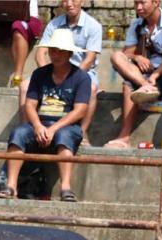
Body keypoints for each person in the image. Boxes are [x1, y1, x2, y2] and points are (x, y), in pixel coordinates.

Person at [0, 29, 91, 202]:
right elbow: (30, 105)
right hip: (39, 123)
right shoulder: (39, 74)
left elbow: (80, 110)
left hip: (66, 126)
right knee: (19, 133)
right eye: (53, 50)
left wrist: (54, 128)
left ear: (70, 53)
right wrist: (38, 126)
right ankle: (11, 185)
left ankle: (66, 187)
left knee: (64, 136)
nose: (56, 54)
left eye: (61, 50)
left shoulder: (82, 77)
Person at [18, 0, 101, 146]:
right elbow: (40, 53)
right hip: (53, 70)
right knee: (24, 86)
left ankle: (82, 132)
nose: (69, 4)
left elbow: (89, 59)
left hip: (81, 72)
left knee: (92, 89)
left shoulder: (93, 26)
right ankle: (27, 129)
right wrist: (47, 75)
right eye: (65, 0)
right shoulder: (54, 24)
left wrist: (71, 79)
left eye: (73, 0)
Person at [105, 0, 162, 149]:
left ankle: (124, 135)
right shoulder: (137, 24)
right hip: (144, 74)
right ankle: (124, 138)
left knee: (128, 86)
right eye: (136, 3)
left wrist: (154, 77)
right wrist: (137, 57)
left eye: (143, 3)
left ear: (156, 2)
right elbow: (127, 53)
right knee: (116, 56)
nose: (138, 7)